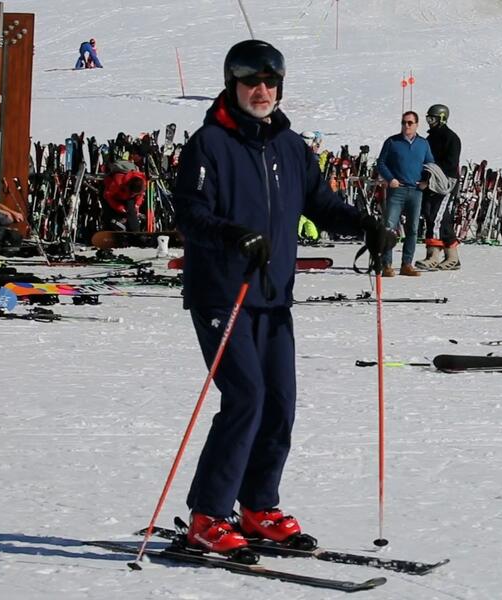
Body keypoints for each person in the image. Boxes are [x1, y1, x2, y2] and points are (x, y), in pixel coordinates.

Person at [171, 39, 396, 554]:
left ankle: (257, 506)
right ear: (234, 85)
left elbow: (322, 202)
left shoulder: (291, 147)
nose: (262, 91)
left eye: (271, 83)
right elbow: (191, 213)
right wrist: (232, 236)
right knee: (246, 397)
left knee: (279, 402)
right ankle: (208, 515)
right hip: (221, 294)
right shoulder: (209, 144)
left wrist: (366, 224)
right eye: (253, 82)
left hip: (273, 296)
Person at [376, 110, 434, 277]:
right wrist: (390, 178)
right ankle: (386, 264)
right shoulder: (392, 142)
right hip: (397, 190)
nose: (406, 126)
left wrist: (426, 181)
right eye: (404, 122)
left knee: (413, 229)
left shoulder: (423, 144)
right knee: (389, 227)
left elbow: (430, 164)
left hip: (415, 192)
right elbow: (381, 163)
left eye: (410, 123)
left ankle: (406, 264)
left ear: (416, 125)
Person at [415, 103, 462, 270]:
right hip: (430, 183)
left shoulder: (451, 138)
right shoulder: (430, 138)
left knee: (437, 217)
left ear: (442, 118)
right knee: (432, 216)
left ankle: (433, 255)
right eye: (428, 118)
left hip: (445, 184)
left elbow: (449, 164)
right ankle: (452, 257)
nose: (430, 122)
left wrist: (431, 170)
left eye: (432, 118)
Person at [102, 161, 147, 232]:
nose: (134, 194)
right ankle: (109, 230)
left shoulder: (141, 182)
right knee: (109, 213)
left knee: (132, 212)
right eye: (133, 193)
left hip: (126, 197)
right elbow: (108, 195)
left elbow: (140, 195)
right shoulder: (117, 182)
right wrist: (119, 208)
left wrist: (137, 205)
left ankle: (135, 233)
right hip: (114, 195)